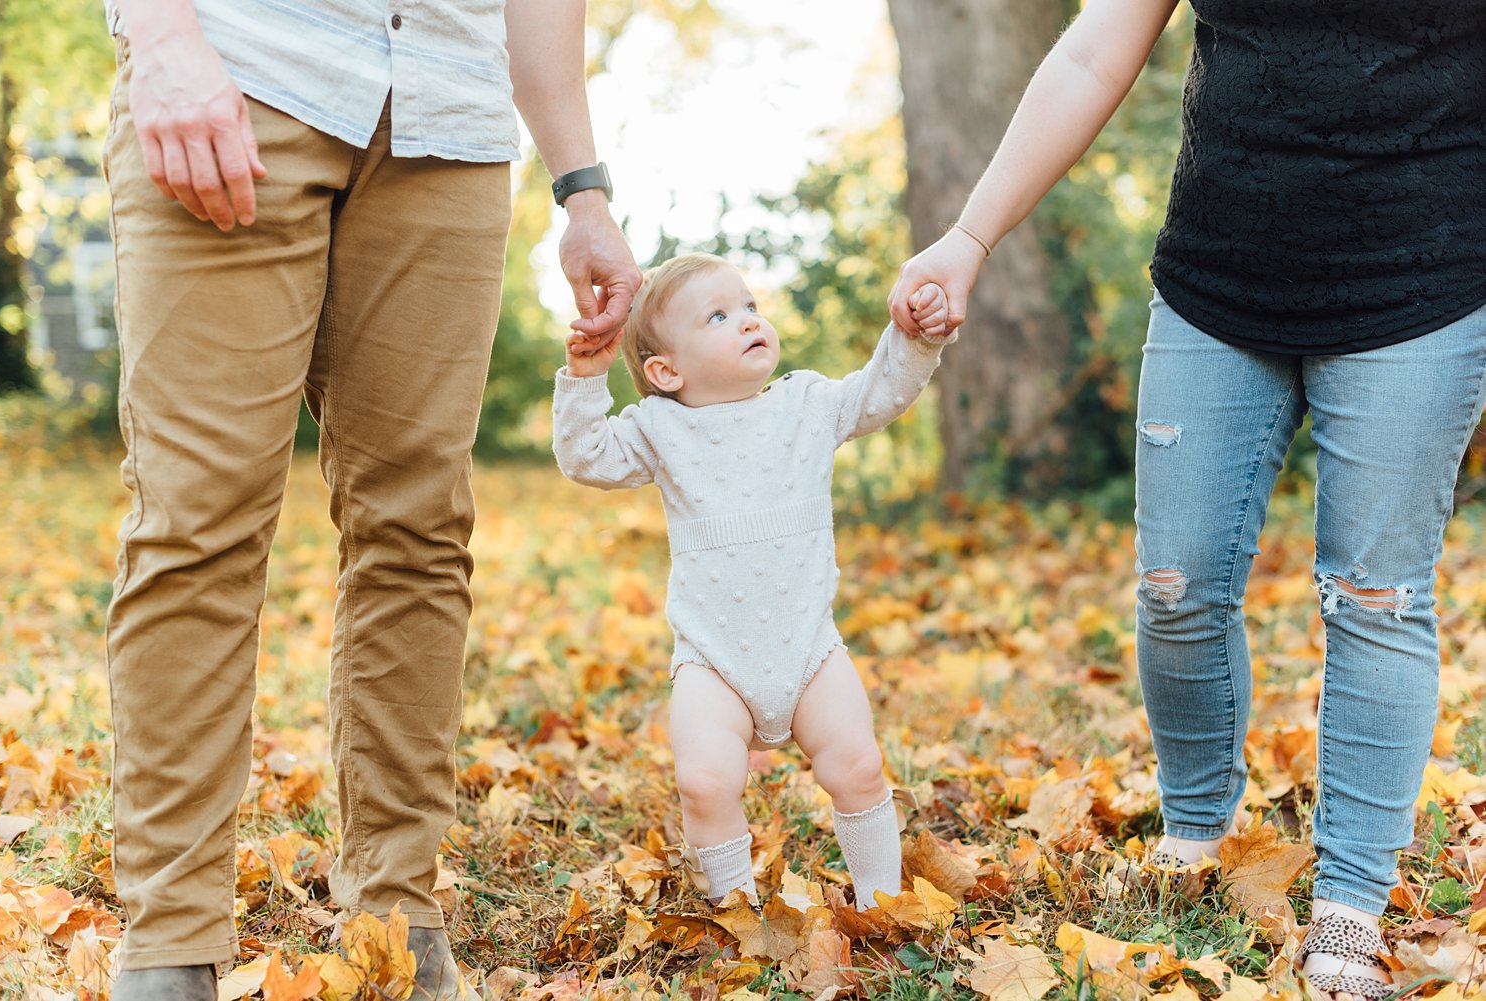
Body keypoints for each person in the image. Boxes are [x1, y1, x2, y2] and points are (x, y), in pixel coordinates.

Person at [887, 2, 1486, 998]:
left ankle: (1349, 898)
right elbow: (1089, 51)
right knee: (1176, 583)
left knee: (1376, 593)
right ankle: (1197, 827)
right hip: (1219, 279)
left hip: (1422, 286)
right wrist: (969, 236)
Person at [100, 1, 639, 997]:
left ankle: (399, 914)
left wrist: (583, 187)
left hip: (449, 114)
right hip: (243, 69)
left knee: (419, 530)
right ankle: (170, 942)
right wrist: (165, 36)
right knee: (199, 522)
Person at [552, 253, 951, 907]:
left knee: (858, 766)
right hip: (714, 660)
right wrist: (585, 376)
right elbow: (586, 455)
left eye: (749, 307)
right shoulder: (661, 428)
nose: (746, 321)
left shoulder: (805, 403)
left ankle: (881, 901)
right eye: (718, 315)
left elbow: (881, 390)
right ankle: (737, 911)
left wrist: (916, 336)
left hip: (809, 649)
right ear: (666, 370)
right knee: (705, 783)